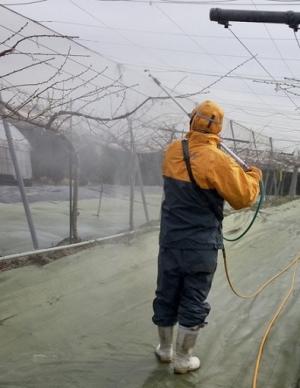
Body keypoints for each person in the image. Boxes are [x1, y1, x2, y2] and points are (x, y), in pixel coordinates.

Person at [152, 100, 262, 374]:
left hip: (170, 242)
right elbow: (243, 197)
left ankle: (164, 351)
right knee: (193, 299)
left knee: (166, 293)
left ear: (192, 121)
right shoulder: (217, 160)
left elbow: (193, 159)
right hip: (200, 245)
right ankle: (183, 359)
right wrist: (254, 177)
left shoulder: (172, 151)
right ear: (219, 128)